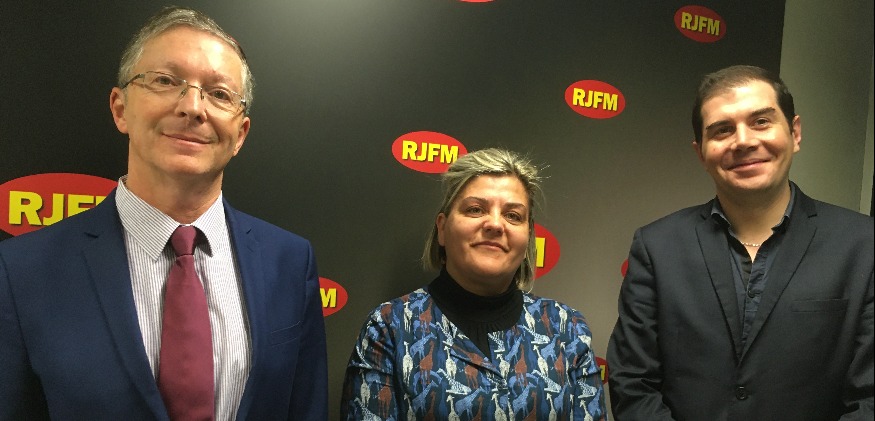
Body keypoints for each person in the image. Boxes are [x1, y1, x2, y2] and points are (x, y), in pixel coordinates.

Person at [0, 6, 328, 420]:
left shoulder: (290, 263)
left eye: (219, 94)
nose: (193, 107)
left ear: (240, 134)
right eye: (166, 81)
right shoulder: (23, 272)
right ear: (120, 108)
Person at [607, 64, 874, 420]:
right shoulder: (657, 247)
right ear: (701, 152)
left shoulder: (863, 244)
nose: (744, 141)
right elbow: (633, 384)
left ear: (794, 132)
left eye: (761, 121)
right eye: (722, 130)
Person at [340, 148, 607, 420]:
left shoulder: (566, 329)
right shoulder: (391, 328)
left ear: (528, 237)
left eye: (513, 215)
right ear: (442, 228)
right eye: (475, 209)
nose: (495, 224)